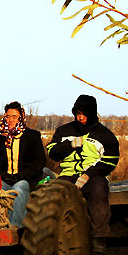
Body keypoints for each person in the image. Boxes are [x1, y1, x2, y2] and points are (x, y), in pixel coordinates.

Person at [47, 94, 120, 235]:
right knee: (55, 193)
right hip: (68, 175)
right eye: (78, 114)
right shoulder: (64, 131)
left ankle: (99, 237)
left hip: (94, 176)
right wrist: (69, 145)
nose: (80, 118)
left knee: (98, 190)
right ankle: (54, 236)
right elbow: (52, 152)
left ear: (92, 114)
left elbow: (110, 160)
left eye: (84, 114)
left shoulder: (105, 135)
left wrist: (88, 175)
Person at [0, 101, 47, 227]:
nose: (10, 120)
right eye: (8, 116)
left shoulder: (32, 136)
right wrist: (2, 174)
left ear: (21, 118)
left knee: (18, 190)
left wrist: (22, 175)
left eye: (14, 117)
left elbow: (39, 162)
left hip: (25, 178)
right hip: (5, 177)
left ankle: (15, 227)